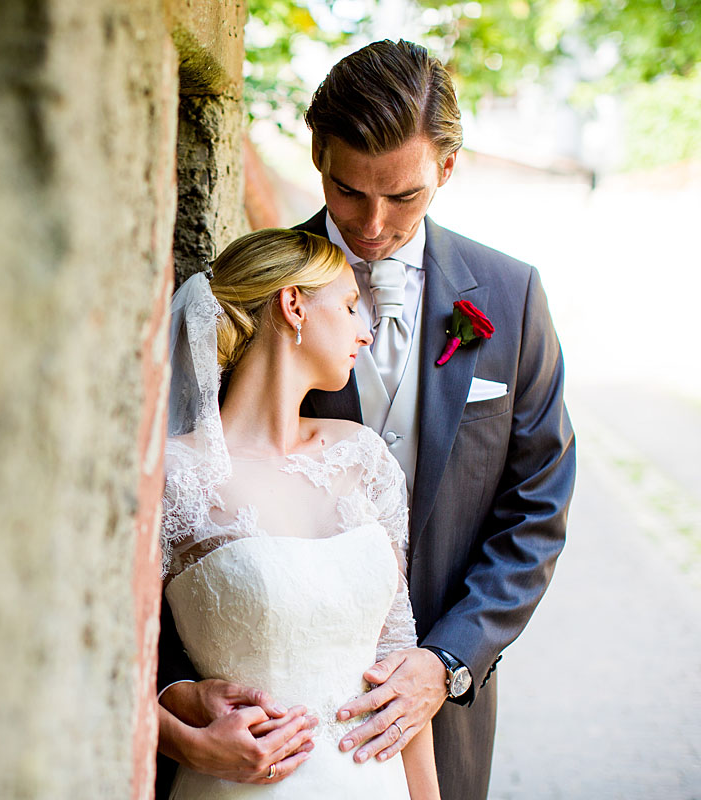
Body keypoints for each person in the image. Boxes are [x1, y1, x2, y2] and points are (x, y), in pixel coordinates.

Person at [157, 39, 575, 800]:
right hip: (259, 726)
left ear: (445, 170)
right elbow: (178, 551)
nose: (373, 225)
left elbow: (537, 510)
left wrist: (444, 662)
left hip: (439, 707)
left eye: (403, 196)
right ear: (317, 157)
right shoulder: (249, 296)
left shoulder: (511, 301)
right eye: (349, 191)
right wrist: (178, 696)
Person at [158, 228, 440, 799]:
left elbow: (398, 669)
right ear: (294, 305)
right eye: (350, 305)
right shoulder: (177, 477)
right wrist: (186, 743)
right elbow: (102, 664)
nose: (365, 331)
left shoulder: (365, 459)